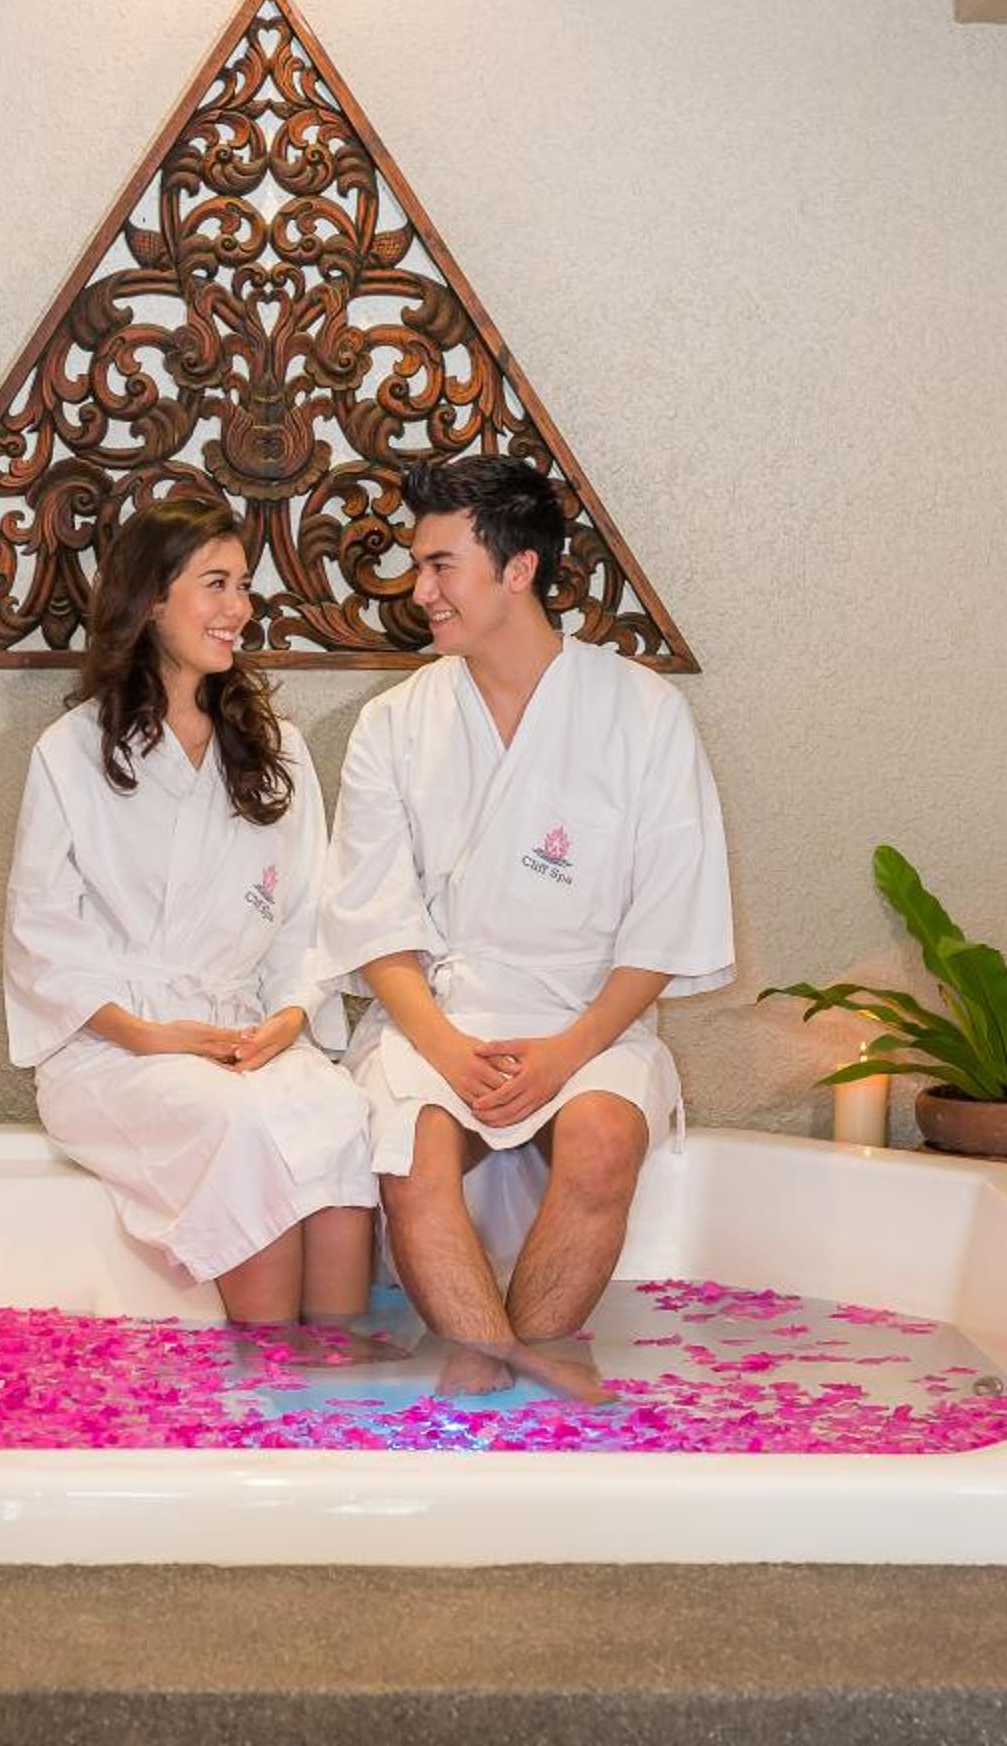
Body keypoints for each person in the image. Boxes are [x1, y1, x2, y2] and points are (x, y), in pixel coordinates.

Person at [314, 457, 733, 1396]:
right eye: (418, 565)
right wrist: (447, 1049)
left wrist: (565, 1053)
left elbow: (668, 924)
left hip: (588, 1018)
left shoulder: (644, 715)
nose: (419, 591)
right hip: (438, 1017)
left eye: (440, 566)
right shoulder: (393, 725)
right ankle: (508, 1368)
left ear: (518, 569)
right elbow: (374, 921)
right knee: (411, 1148)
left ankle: (504, 1364)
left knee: (604, 1137)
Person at [3, 495, 379, 1326]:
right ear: (150, 599)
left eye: (243, 585)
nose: (238, 608)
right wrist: (148, 1035)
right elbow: (42, 936)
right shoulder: (72, 752)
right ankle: (269, 1376)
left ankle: (341, 1381)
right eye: (216, 584)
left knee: (338, 1113)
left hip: (246, 1033)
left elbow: (306, 917)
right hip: (114, 1047)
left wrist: (289, 1018)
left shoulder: (273, 748)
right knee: (238, 1124)